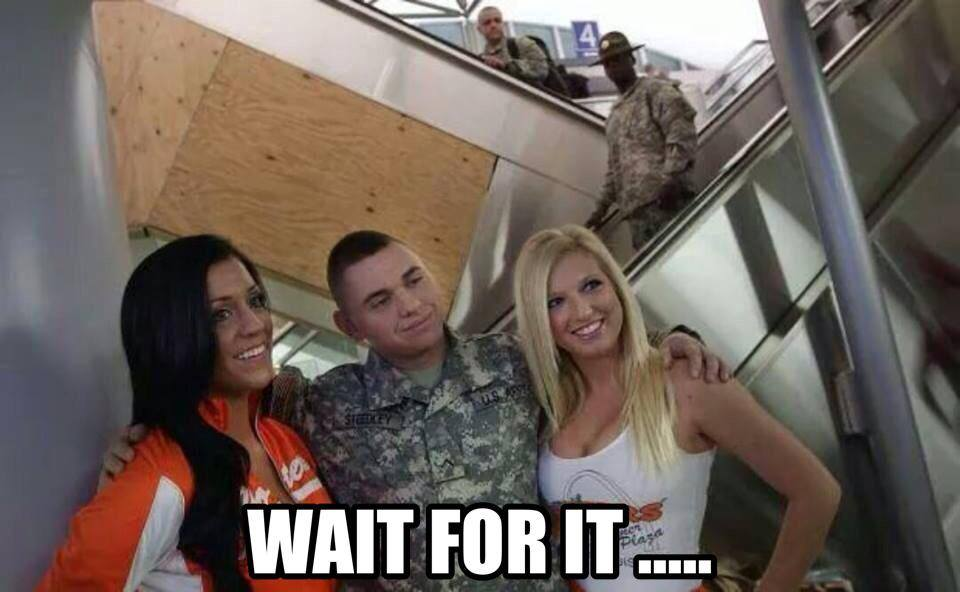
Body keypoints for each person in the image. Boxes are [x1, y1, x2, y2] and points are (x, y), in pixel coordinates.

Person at [103, 230, 729, 590]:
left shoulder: (516, 361)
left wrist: (673, 341)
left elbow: (599, 349)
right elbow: (221, 399)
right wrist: (139, 438)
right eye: (380, 300)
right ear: (350, 326)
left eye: (413, 279)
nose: (409, 304)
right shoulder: (317, 403)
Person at [513, 225, 842, 592]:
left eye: (591, 285)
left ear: (616, 287)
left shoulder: (687, 383)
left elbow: (816, 492)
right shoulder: (544, 408)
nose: (582, 310)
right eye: (554, 302)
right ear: (540, 321)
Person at [39, 236, 335, 591]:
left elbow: (329, 559)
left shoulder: (281, 438)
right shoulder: (159, 477)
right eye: (221, 315)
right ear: (174, 336)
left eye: (255, 301)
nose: (255, 324)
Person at [585, 32, 699, 251]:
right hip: (638, 216)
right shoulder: (615, 115)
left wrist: (672, 178)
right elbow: (615, 169)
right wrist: (599, 210)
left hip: (668, 203)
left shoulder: (656, 91)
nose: (612, 67)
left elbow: (681, 133)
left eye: (617, 59)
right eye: (607, 63)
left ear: (632, 59)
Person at [477, 6, 550, 88]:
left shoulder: (521, 43)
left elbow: (541, 69)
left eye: (497, 21)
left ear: (503, 24)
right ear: (479, 29)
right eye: (487, 23)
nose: (493, 25)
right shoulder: (480, 59)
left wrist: (507, 65)